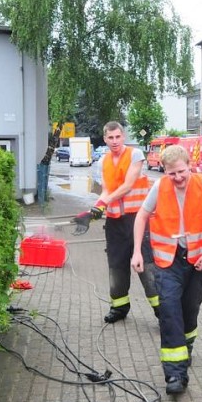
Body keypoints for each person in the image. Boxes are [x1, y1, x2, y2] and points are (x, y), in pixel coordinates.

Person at [131, 145, 202, 395]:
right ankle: (175, 373)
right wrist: (137, 252)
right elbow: (141, 216)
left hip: (197, 261)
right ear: (165, 171)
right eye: (172, 174)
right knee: (170, 311)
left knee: (189, 309)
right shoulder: (160, 187)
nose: (178, 178)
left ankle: (187, 346)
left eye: (182, 172)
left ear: (189, 166)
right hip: (167, 262)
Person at [74, 122, 159, 323]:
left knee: (146, 266)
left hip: (137, 220)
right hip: (114, 223)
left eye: (117, 137)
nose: (114, 141)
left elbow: (128, 186)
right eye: (110, 138)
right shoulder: (103, 161)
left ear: (123, 136)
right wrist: (94, 210)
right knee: (116, 266)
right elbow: (106, 190)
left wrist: (103, 202)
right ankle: (119, 307)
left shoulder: (135, 155)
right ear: (104, 139)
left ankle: (162, 312)